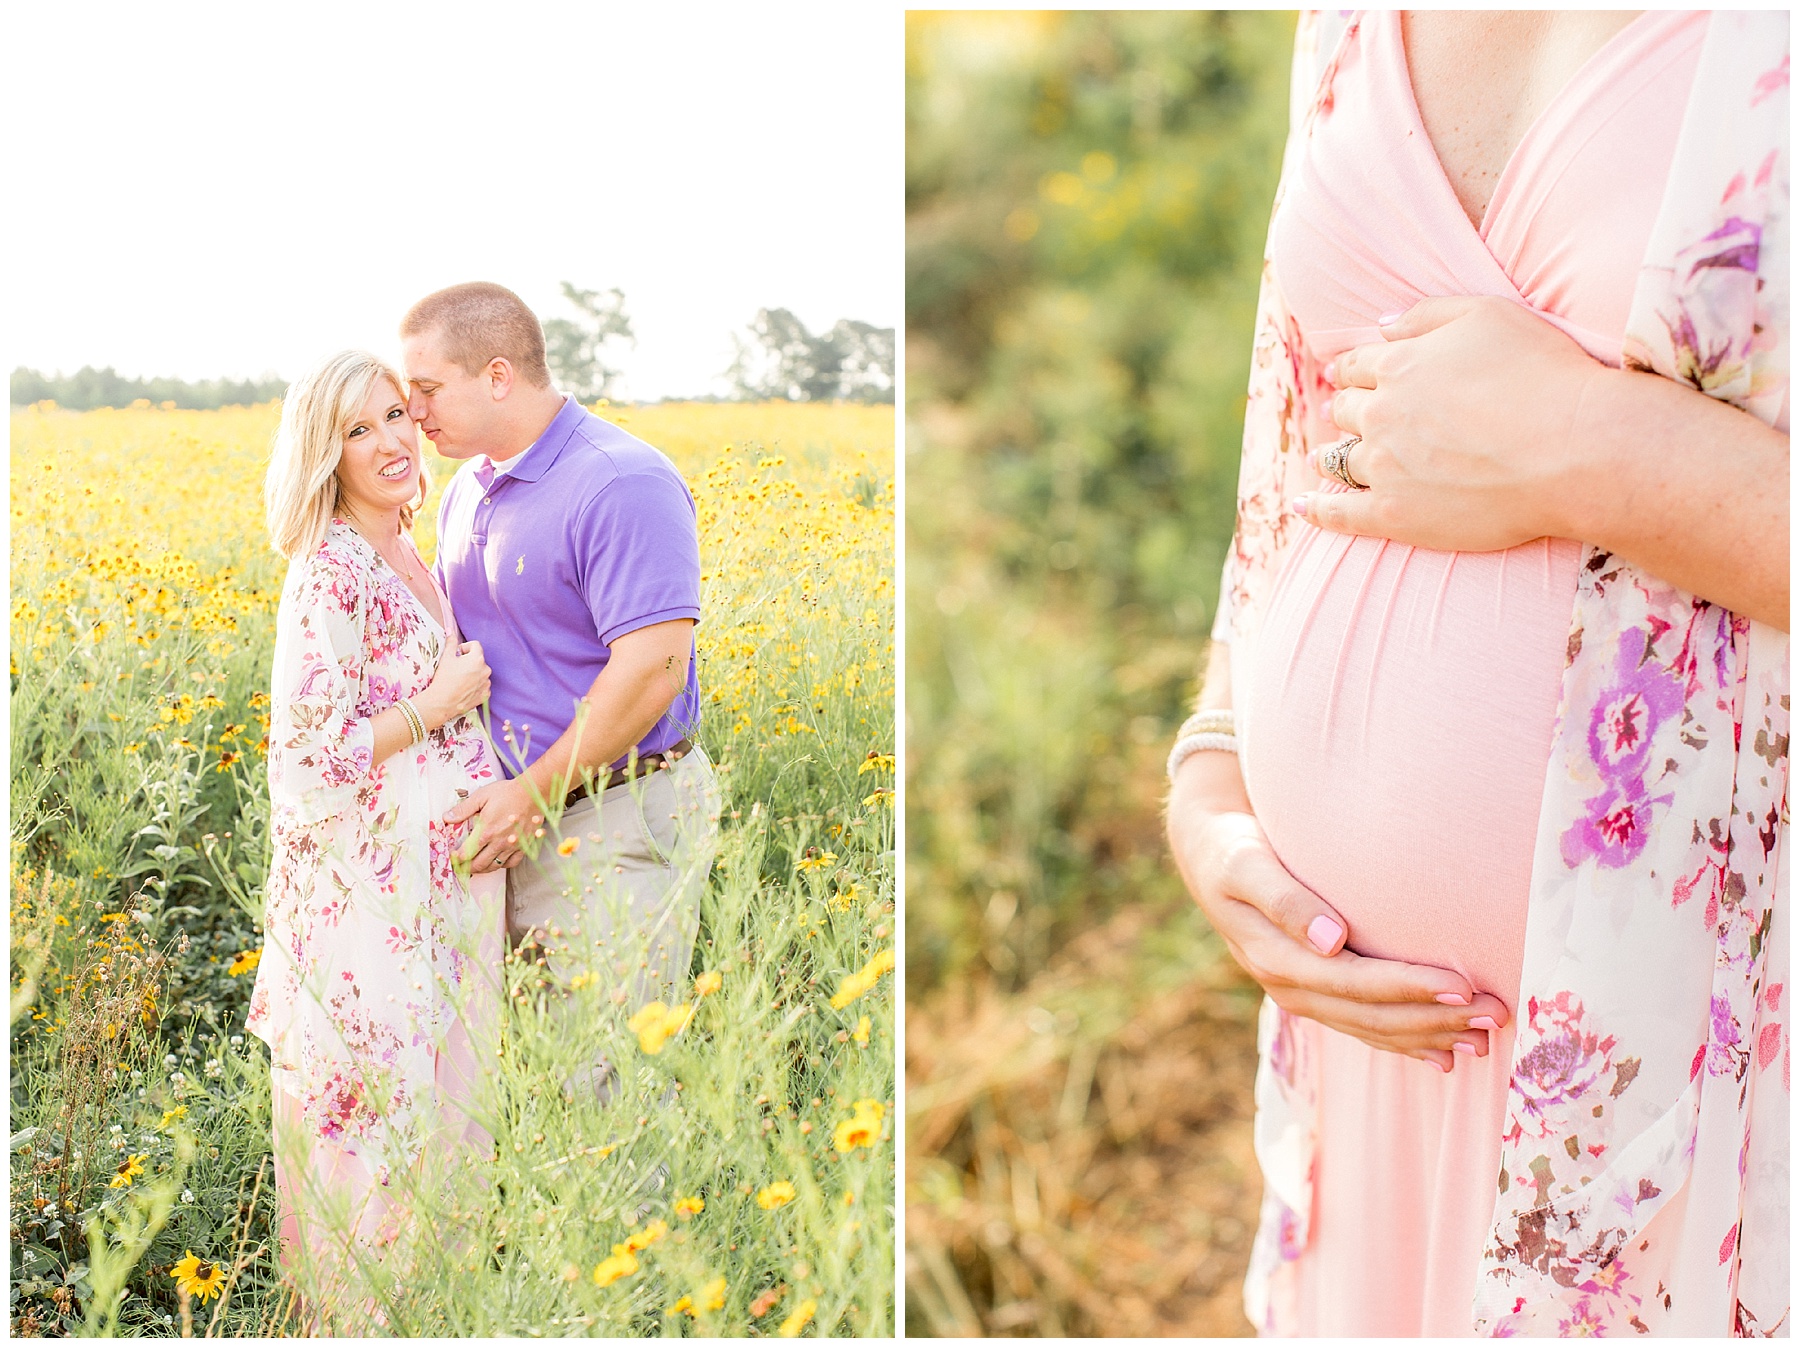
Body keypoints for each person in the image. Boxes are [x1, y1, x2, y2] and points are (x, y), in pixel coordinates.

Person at [1165, 11, 1787, 1336]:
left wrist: (1599, 453)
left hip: (1718, 1082)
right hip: (1386, 1058)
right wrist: (1211, 779)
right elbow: (1296, 460)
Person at [399, 282, 721, 1098]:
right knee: (527, 1084)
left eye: (429, 388)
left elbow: (652, 668)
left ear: (498, 375)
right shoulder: (470, 485)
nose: (414, 409)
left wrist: (531, 794)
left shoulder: (620, 482)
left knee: (605, 1088)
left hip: (610, 817)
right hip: (517, 821)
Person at [248, 350, 505, 1290]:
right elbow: (305, 766)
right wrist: (435, 708)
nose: (391, 441)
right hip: (374, 916)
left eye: (396, 415)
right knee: (380, 1142)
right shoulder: (332, 572)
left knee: (446, 1129)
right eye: (359, 430)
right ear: (327, 454)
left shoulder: (411, 549)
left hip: (440, 900)